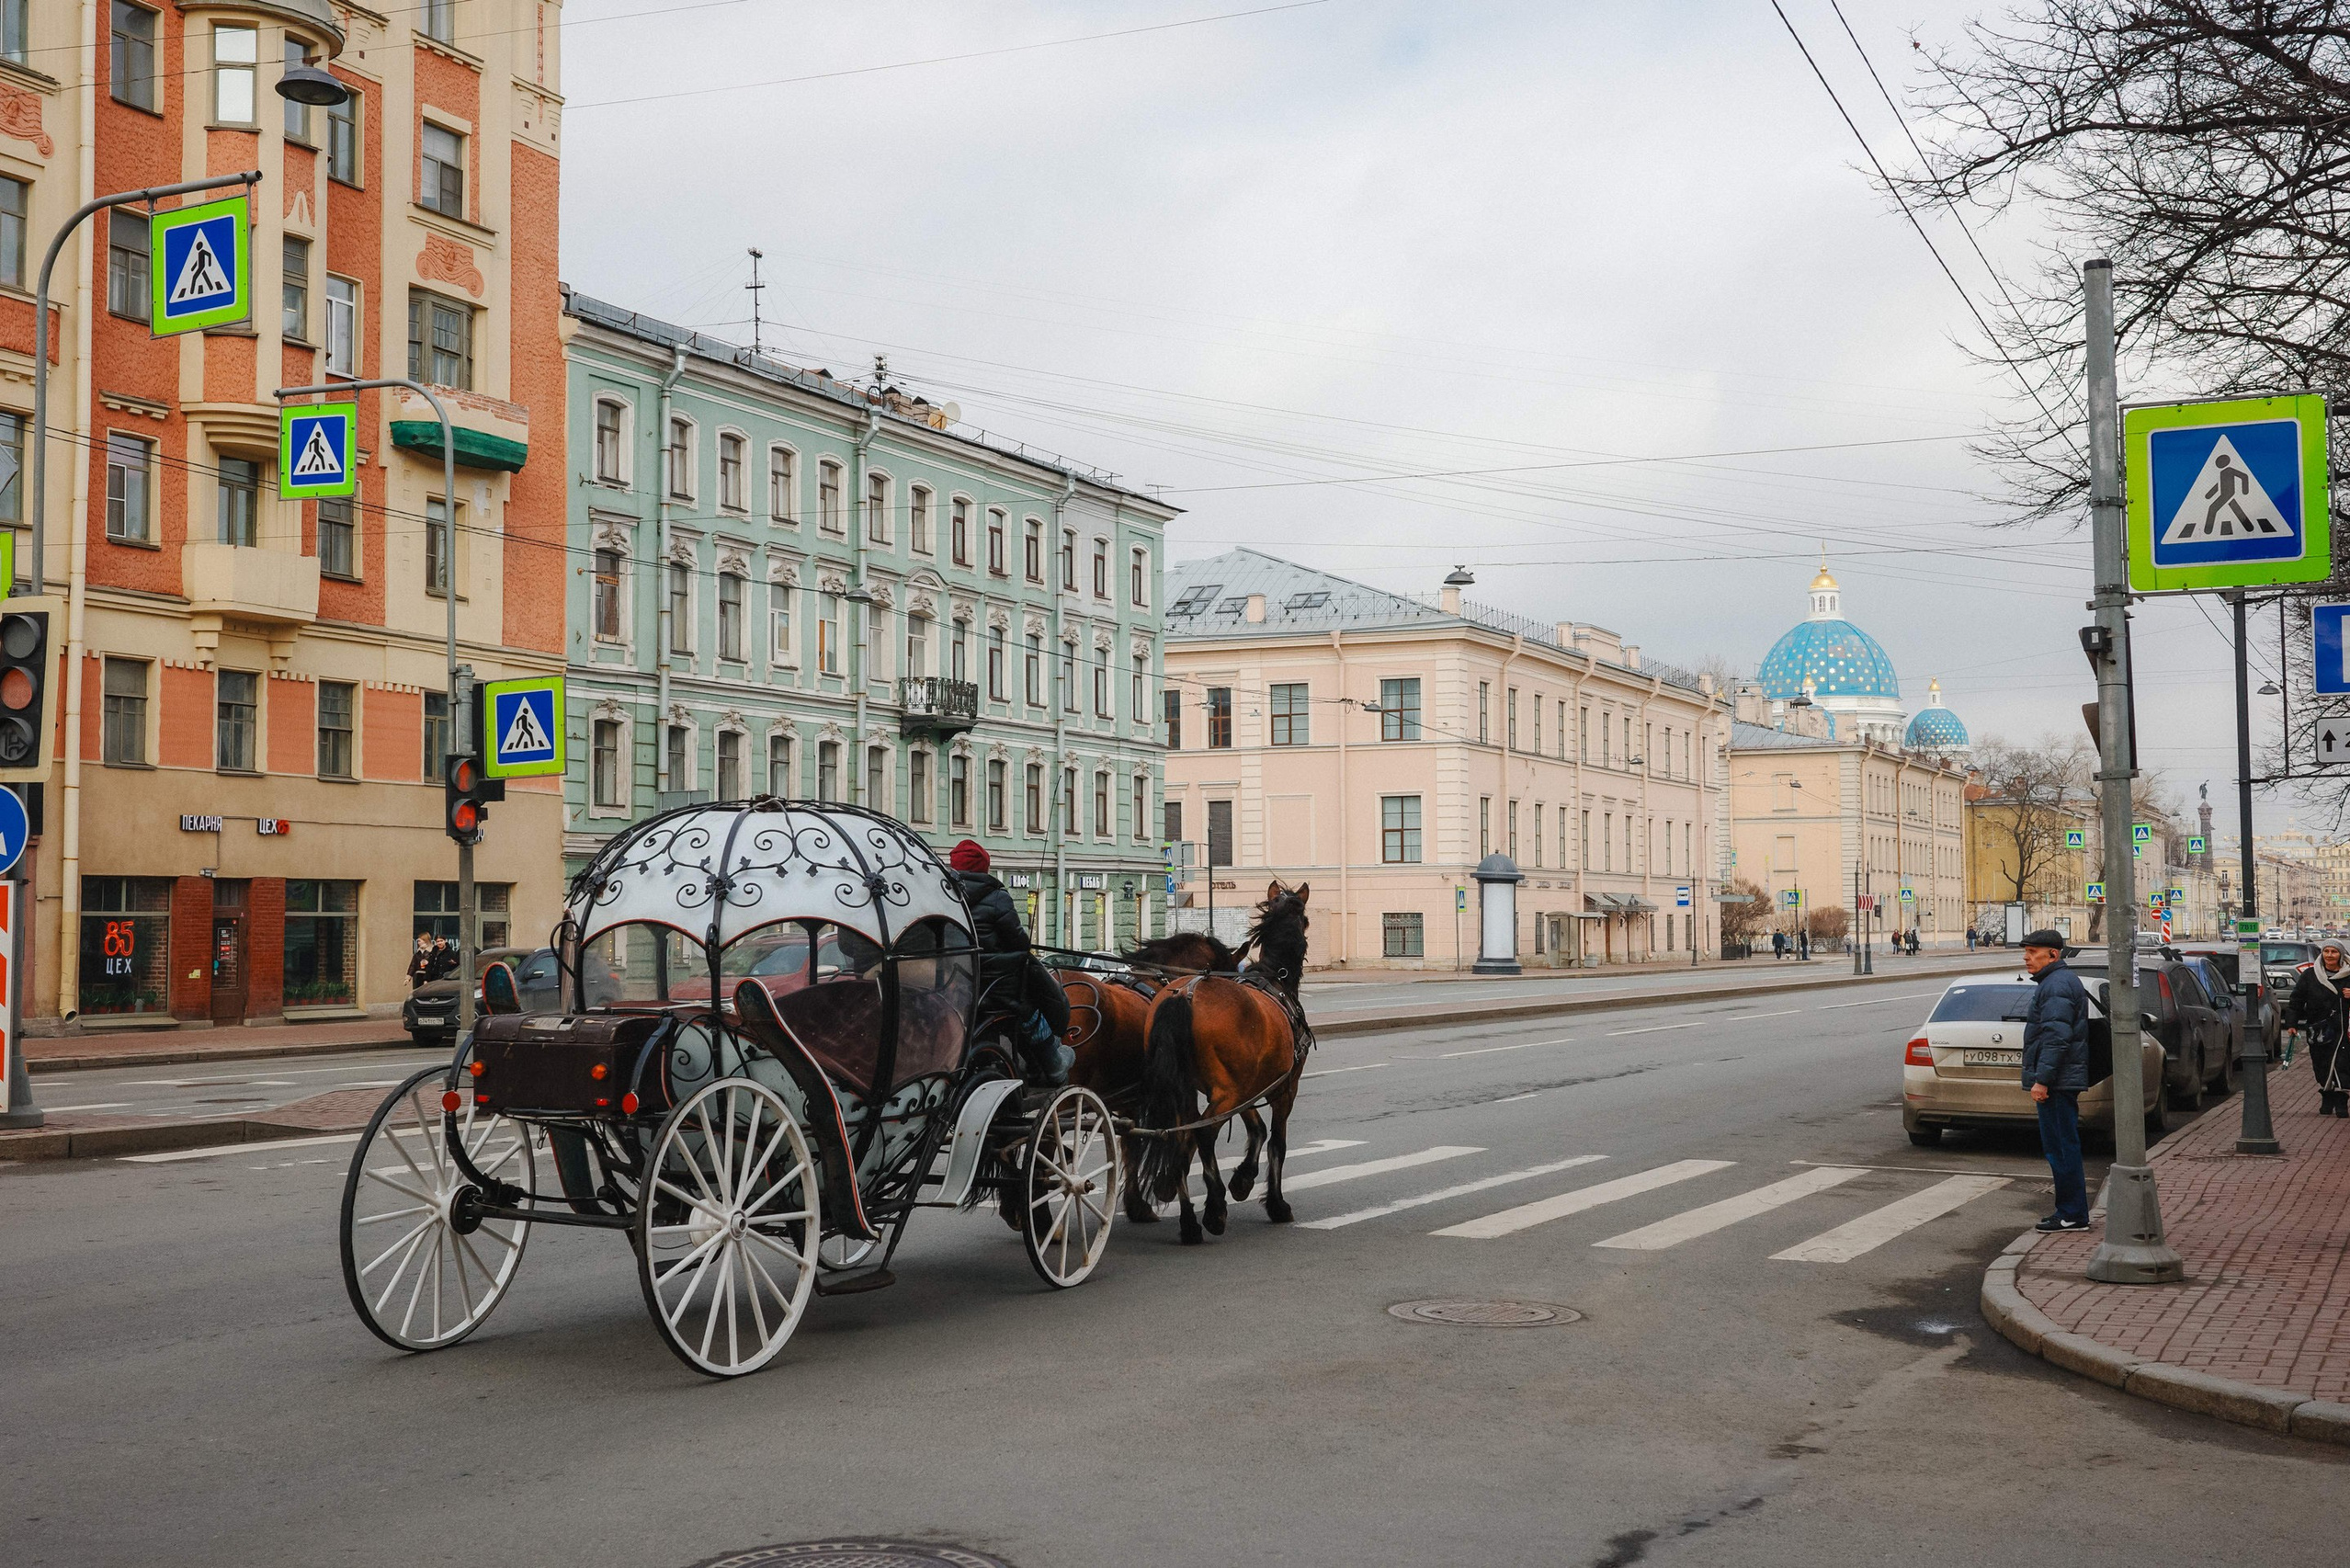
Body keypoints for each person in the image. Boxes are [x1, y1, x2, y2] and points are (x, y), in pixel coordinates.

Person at [946, 838, 1071, 1085]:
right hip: (995, 985)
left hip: (954, 984)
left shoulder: (944, 896)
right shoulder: (996, 896)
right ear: (984, 868)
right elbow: (1019, 943)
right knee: (1030, 1009)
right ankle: (1052, 1063)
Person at [2019, 929, 2092, 1231]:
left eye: (2034, 952)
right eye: (2026, 952)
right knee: (2062, 1146)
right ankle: (2069, 1210)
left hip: (2058, 1082)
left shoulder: (2056, 985)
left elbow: (2057, 1038)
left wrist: (2042, 1080)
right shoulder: (2056, 982)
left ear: (2053, 955)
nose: (2026, 957)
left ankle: (2072, 1213)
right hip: (2061, 1080)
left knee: (2061, 1148)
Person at [2281, 941, 2350, 1118]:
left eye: (2334, 952)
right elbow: (2296, 1001)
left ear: (2341, 955)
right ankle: (2327, 1095)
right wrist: (2292, 1024)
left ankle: (2342, 1101)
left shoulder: (2348, 975)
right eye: (2326, 951)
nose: (2329, 955)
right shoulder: (2310, 975)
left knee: (2342, 1063)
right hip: (2318, 1028)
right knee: (2321, 1063)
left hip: (2344, 1028)